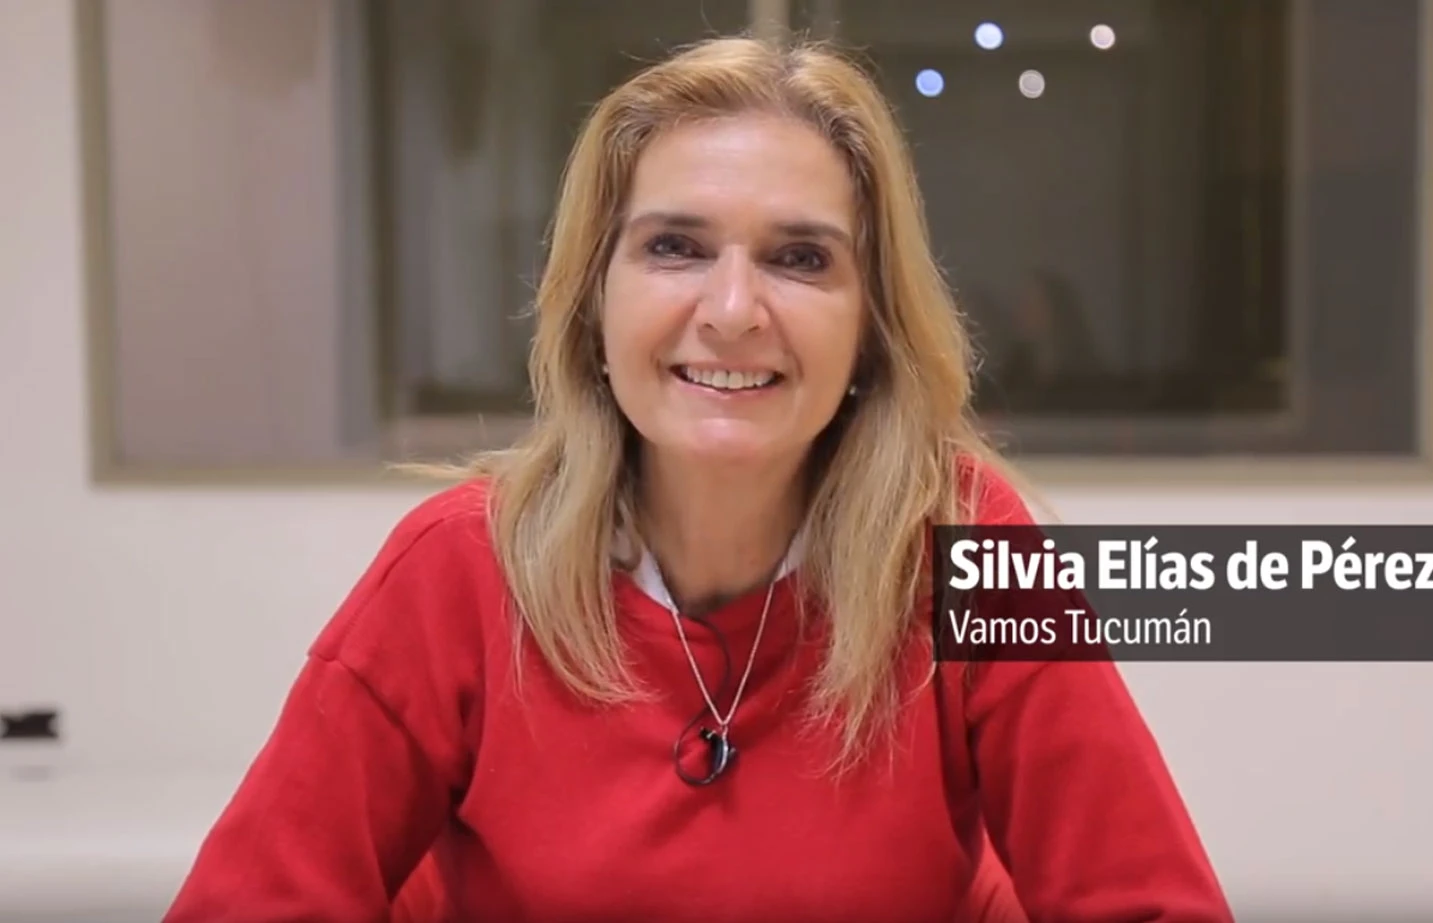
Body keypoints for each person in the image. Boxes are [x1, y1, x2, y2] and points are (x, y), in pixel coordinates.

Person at [164, 35, 1233, 923]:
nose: (730, 311)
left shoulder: (969, 547)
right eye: (676, 247)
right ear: (594, 302)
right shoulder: (460, 566)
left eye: (800, 258)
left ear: (870, 326)